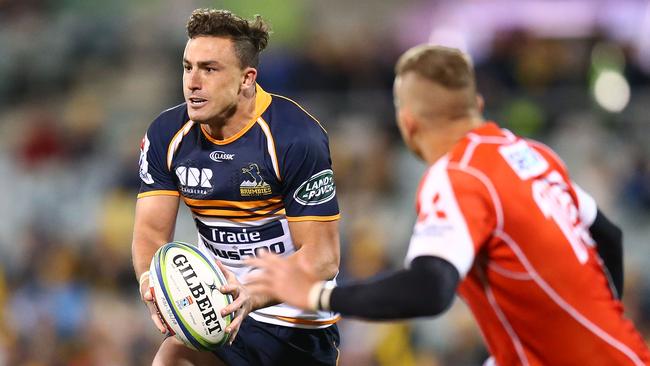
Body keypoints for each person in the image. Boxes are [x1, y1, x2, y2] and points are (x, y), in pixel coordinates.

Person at [247, 45, 650, 365]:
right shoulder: (534, 155)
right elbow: (608, 235)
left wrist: (316, 295)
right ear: (475, 101)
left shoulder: (459, 176)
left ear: (408, 124)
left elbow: (429, 288)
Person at [132, 8, 341, 366]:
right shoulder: (167, 134)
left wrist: (252, 294)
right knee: (171, 359)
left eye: (209, 69)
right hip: (218, 311)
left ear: (247, 79)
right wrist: (151, 282)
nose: (192, 82)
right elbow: (150, 232)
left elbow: (323, 258)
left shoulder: (295, 137)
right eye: (187, 67)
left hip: (296, 322)